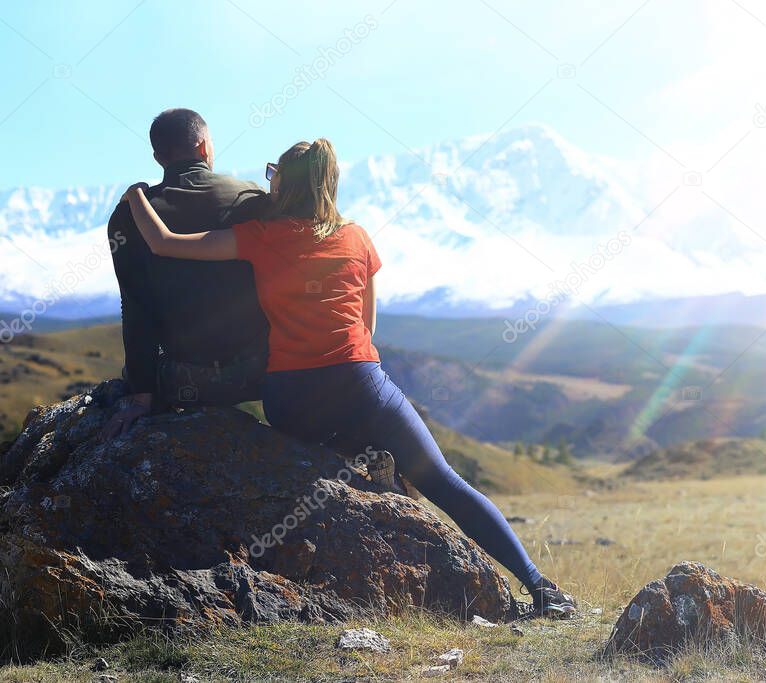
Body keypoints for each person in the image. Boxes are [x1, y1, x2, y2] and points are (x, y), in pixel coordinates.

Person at [118, 137, 576, 618]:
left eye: (274, 171)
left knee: (319, 475)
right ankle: (539, 586)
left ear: (285, 183)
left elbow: (164, 243)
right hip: (361, 386)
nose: (267, 177)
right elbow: (369, 326)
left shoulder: (259, 235)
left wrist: (134, 195)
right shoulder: (357, 237)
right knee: (442, 480)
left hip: (291, 398)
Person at [103, 109, 270, 440]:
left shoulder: (129, 215)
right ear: (205, 147)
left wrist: (141, 395)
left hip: (186, 381)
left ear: (157, 157)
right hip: (265, 373)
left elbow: (135, 310)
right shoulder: (254, 199)